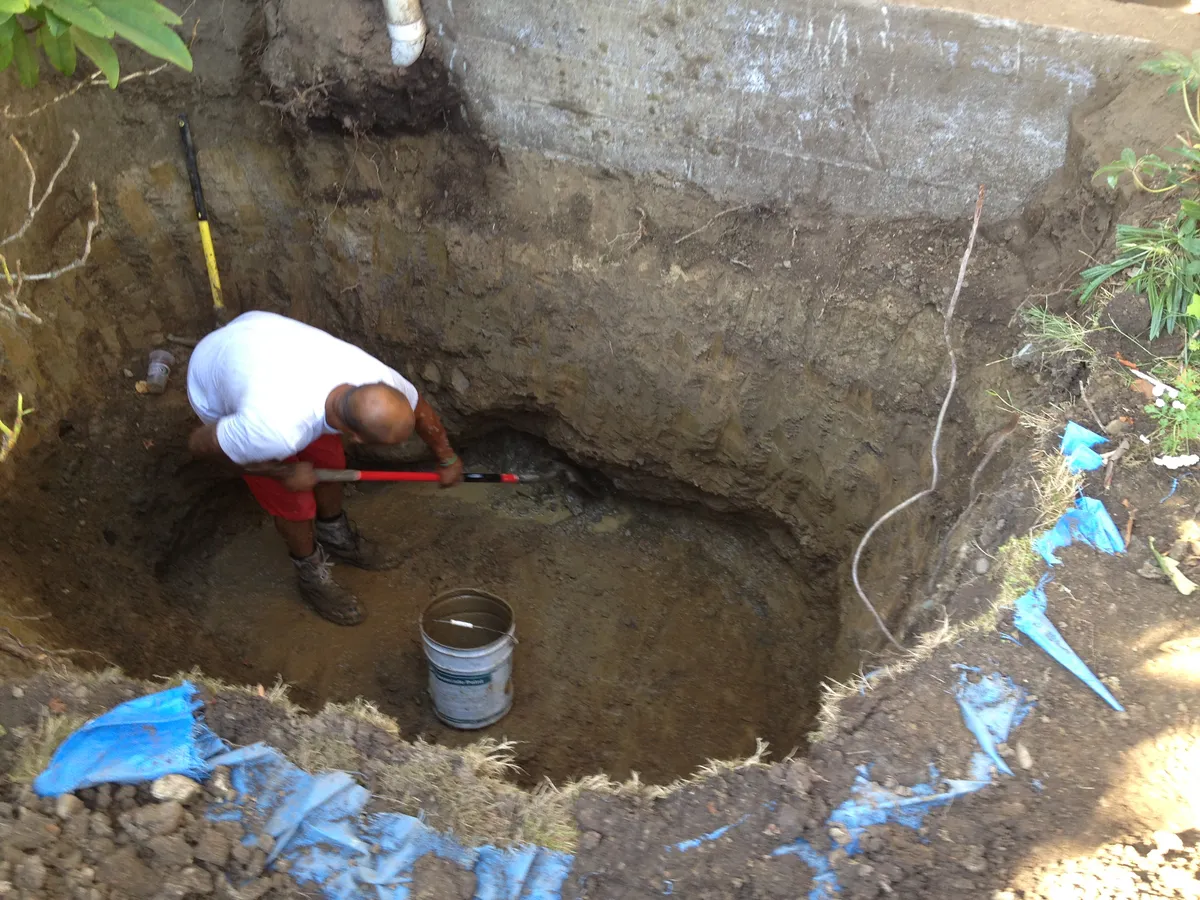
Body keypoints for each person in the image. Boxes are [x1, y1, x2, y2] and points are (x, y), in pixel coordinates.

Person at [185, 310, 464, 625]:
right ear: (355, 436)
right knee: (295, 503)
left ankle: (334, 536)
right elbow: (202, 445)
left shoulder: (375, 378)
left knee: (331, 464)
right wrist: (283, 473)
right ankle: (309, 572)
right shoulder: (275, 428)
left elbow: (419, 407)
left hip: (256, 336)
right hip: (212, 379)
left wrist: (447, 456)